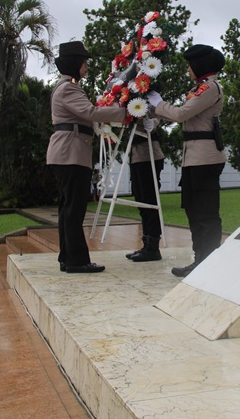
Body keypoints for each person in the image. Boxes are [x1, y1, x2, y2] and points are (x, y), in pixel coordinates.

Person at [47, 40, 127, 273]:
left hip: (68, 152)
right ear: (74, 63)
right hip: (70, 153)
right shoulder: (68, 88)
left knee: (68, 208)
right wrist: (123, 112)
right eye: (83, 63)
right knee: (74, 209)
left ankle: (67, 257)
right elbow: (89, 112)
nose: (86, 68)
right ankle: (77, 261)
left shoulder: (66, 86)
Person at [147, 44, 226, 277]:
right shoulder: (199, 88)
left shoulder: (210, 87)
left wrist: (158, 103)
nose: (188, 69)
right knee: (193, 210)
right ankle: (199, 257)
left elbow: (182, 114)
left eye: (190, 65)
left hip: (205, 158)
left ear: (201, 64)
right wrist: (152, 109)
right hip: (193, 157)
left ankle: (208, 261)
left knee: (205, 212)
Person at [124, 115, 165, 262]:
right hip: (136, 157)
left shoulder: (151, 104)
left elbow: (155, 120)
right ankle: (146, 244)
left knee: (149, 203)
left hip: (149, 156)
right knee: (141, 203)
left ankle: (153, 247)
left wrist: (140, 118)